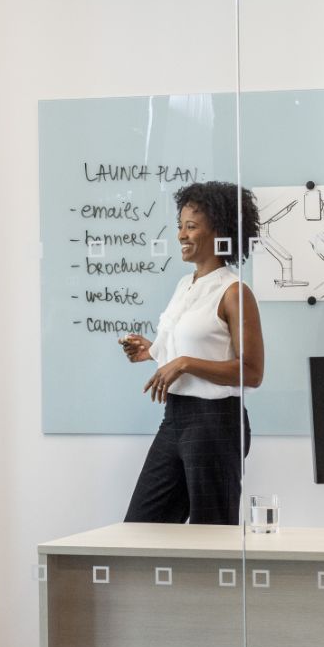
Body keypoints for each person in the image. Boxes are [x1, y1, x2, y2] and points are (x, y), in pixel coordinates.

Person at [118, 182, 264, 525]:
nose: (182, 234)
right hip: (175, 418)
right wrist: (153, 352)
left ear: (220, 232)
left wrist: (184, 363)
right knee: (141, 528)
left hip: (216, 422)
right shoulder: (186, 285)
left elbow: (252, 372)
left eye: (192, 226)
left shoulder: (234, 291)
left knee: (213, 536)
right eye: (180, 226)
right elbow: (187, 349)